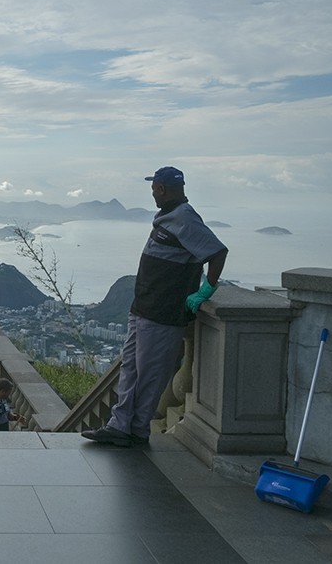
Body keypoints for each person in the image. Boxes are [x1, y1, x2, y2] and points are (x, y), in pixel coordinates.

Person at [82, 166, 227, 447]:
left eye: (154, 189)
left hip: (163, 313)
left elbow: (217, 252)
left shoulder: (185, 217)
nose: (152, 194)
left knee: (150, 374)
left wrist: (206, 289)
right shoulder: (168, 216)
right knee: (131, 370)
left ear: (161, 188)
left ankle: (135, 429)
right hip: (143, 308)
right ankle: (120, 425)